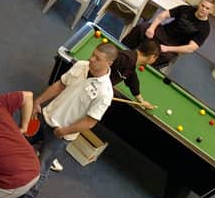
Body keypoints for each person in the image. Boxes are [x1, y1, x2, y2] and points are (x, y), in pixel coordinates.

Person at [12, 43, 118, 198]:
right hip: (45, 117)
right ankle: (8, 176)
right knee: (17, 141)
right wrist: (38, 102)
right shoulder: (81, 65)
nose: (92, 59)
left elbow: (90, 122)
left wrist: (65, 131)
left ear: (109, 63)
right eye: (93, 54)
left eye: (98, 58)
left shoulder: (105, 93)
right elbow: (60, 85)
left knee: (41, 167)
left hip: (60, 134)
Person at [50, 39, 161, 173]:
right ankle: (48, 154)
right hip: (89, 92)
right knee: (73, 120)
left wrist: (140, 99)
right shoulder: (126, 59)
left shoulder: (131, 62)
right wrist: (95, 87)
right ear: (152, 57)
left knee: (73, 121)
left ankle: (48, 149)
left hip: (92, 91)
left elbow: (131, 78)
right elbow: (100, 66)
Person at [121, 0, 215, 69]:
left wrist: (168, 48)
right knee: (142, 27)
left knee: (167, 57)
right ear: (199, 4)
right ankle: (123, 51)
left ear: (211, 11)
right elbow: (163, 15)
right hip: (162, 32)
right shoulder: (185, 9)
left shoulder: (205, 28)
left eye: (207, 8)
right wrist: (152, 28)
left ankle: (140, 68)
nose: (203, 9)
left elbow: (191, 48)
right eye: (202, 5)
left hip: (173, 45)